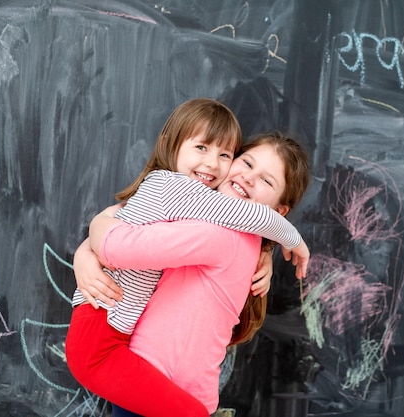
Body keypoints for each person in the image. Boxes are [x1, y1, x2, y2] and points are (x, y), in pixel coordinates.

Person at [66, 98, 309, 415]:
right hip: (121, 351)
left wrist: (269, 244)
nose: (248, 177)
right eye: (247, 163)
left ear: (280, 208)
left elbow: (112, 230)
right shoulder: (186, 199)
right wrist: (85, 254)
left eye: (266, 180)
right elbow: (116, 227)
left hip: (142, 365)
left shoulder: (219, 231)